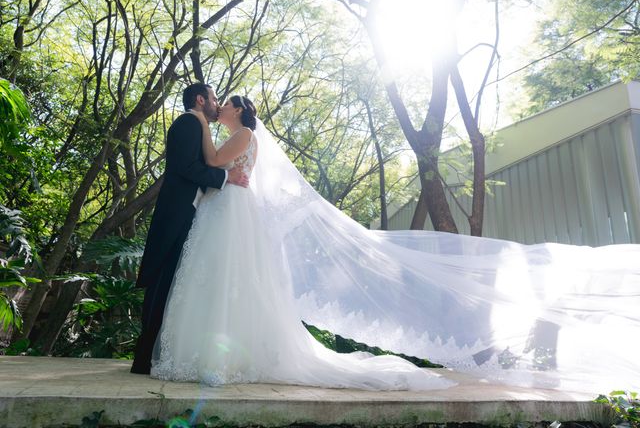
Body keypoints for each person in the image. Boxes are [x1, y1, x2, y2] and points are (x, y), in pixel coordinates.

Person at [150, 95, 640, 393]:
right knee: (220, 280)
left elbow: (214, 160)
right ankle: (210, 352)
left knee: (230, 279)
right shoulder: (240, 134)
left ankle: (223, 357)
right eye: (220, 106)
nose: (223, 110)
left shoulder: (244, 136)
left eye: (227, 106)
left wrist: (197, 123)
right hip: (225, 212)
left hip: (232, 210)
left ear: (239, 111)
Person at [130, 83, 249, 375]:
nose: (217, 103)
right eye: (214, 98)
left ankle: (151, 357)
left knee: (171, 284)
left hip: (189, 213)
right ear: (200, 99)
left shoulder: (199, 126)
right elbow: (185, 167)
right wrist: (225, 178)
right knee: (160, 283)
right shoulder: (187, 122)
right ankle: (143, 359)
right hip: (175, 214)